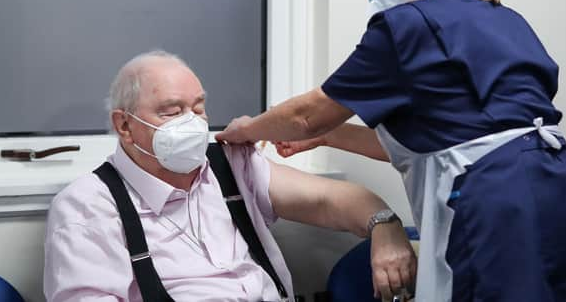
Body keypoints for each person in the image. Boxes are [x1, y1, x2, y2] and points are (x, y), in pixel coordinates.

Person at [216, 0, 566, 302]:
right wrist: (329, 137)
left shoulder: (407, 25)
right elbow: (438, 142)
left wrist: (247, 129)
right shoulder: (500, 16)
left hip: (495, 203)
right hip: (558, 189)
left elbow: (307, 115)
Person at [43, 50, 417, 302]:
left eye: (199, 109)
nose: (192, 123)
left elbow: (332, 201)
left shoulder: (228, 168)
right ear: (125, 126)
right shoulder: (88, 207)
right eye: (172, 113)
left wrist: (384, 226)